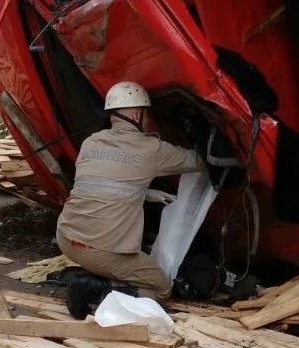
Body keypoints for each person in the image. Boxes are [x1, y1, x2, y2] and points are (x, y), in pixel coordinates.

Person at [56, 81, 207, 318]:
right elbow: (198, 161)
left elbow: (100, 183)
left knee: (114, 262)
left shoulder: (90, 143)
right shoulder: (150, 148)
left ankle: (92, 276)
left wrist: (145, 192)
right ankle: (96, 287)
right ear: (137, 114)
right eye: (147, 114)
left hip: (66, 238)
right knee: (161, 285)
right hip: (102, 252)